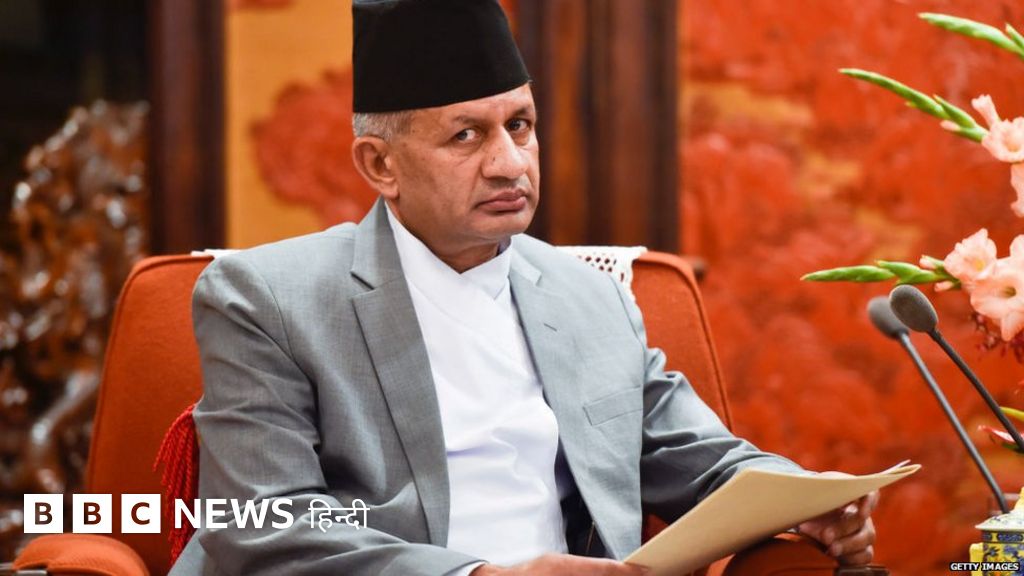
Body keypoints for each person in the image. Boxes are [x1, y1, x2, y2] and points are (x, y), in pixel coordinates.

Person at [169, 1, 877, 574]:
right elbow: (264, 524)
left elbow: (704, 461)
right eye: (466, 137)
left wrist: (806, 500)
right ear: (380, 165)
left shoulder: (590, 297)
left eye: (520, 125)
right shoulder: (267, 299)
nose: (510, 163)